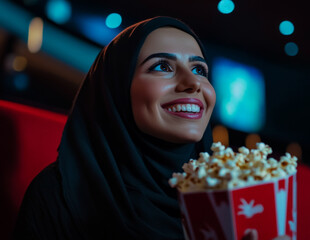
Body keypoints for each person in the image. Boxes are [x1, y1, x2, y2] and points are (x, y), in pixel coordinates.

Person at [14, 16, 289, 240]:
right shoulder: (59, 197)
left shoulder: (235, 196)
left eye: (199, 70)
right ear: (117, 90)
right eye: (161, 66)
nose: (192, 83)